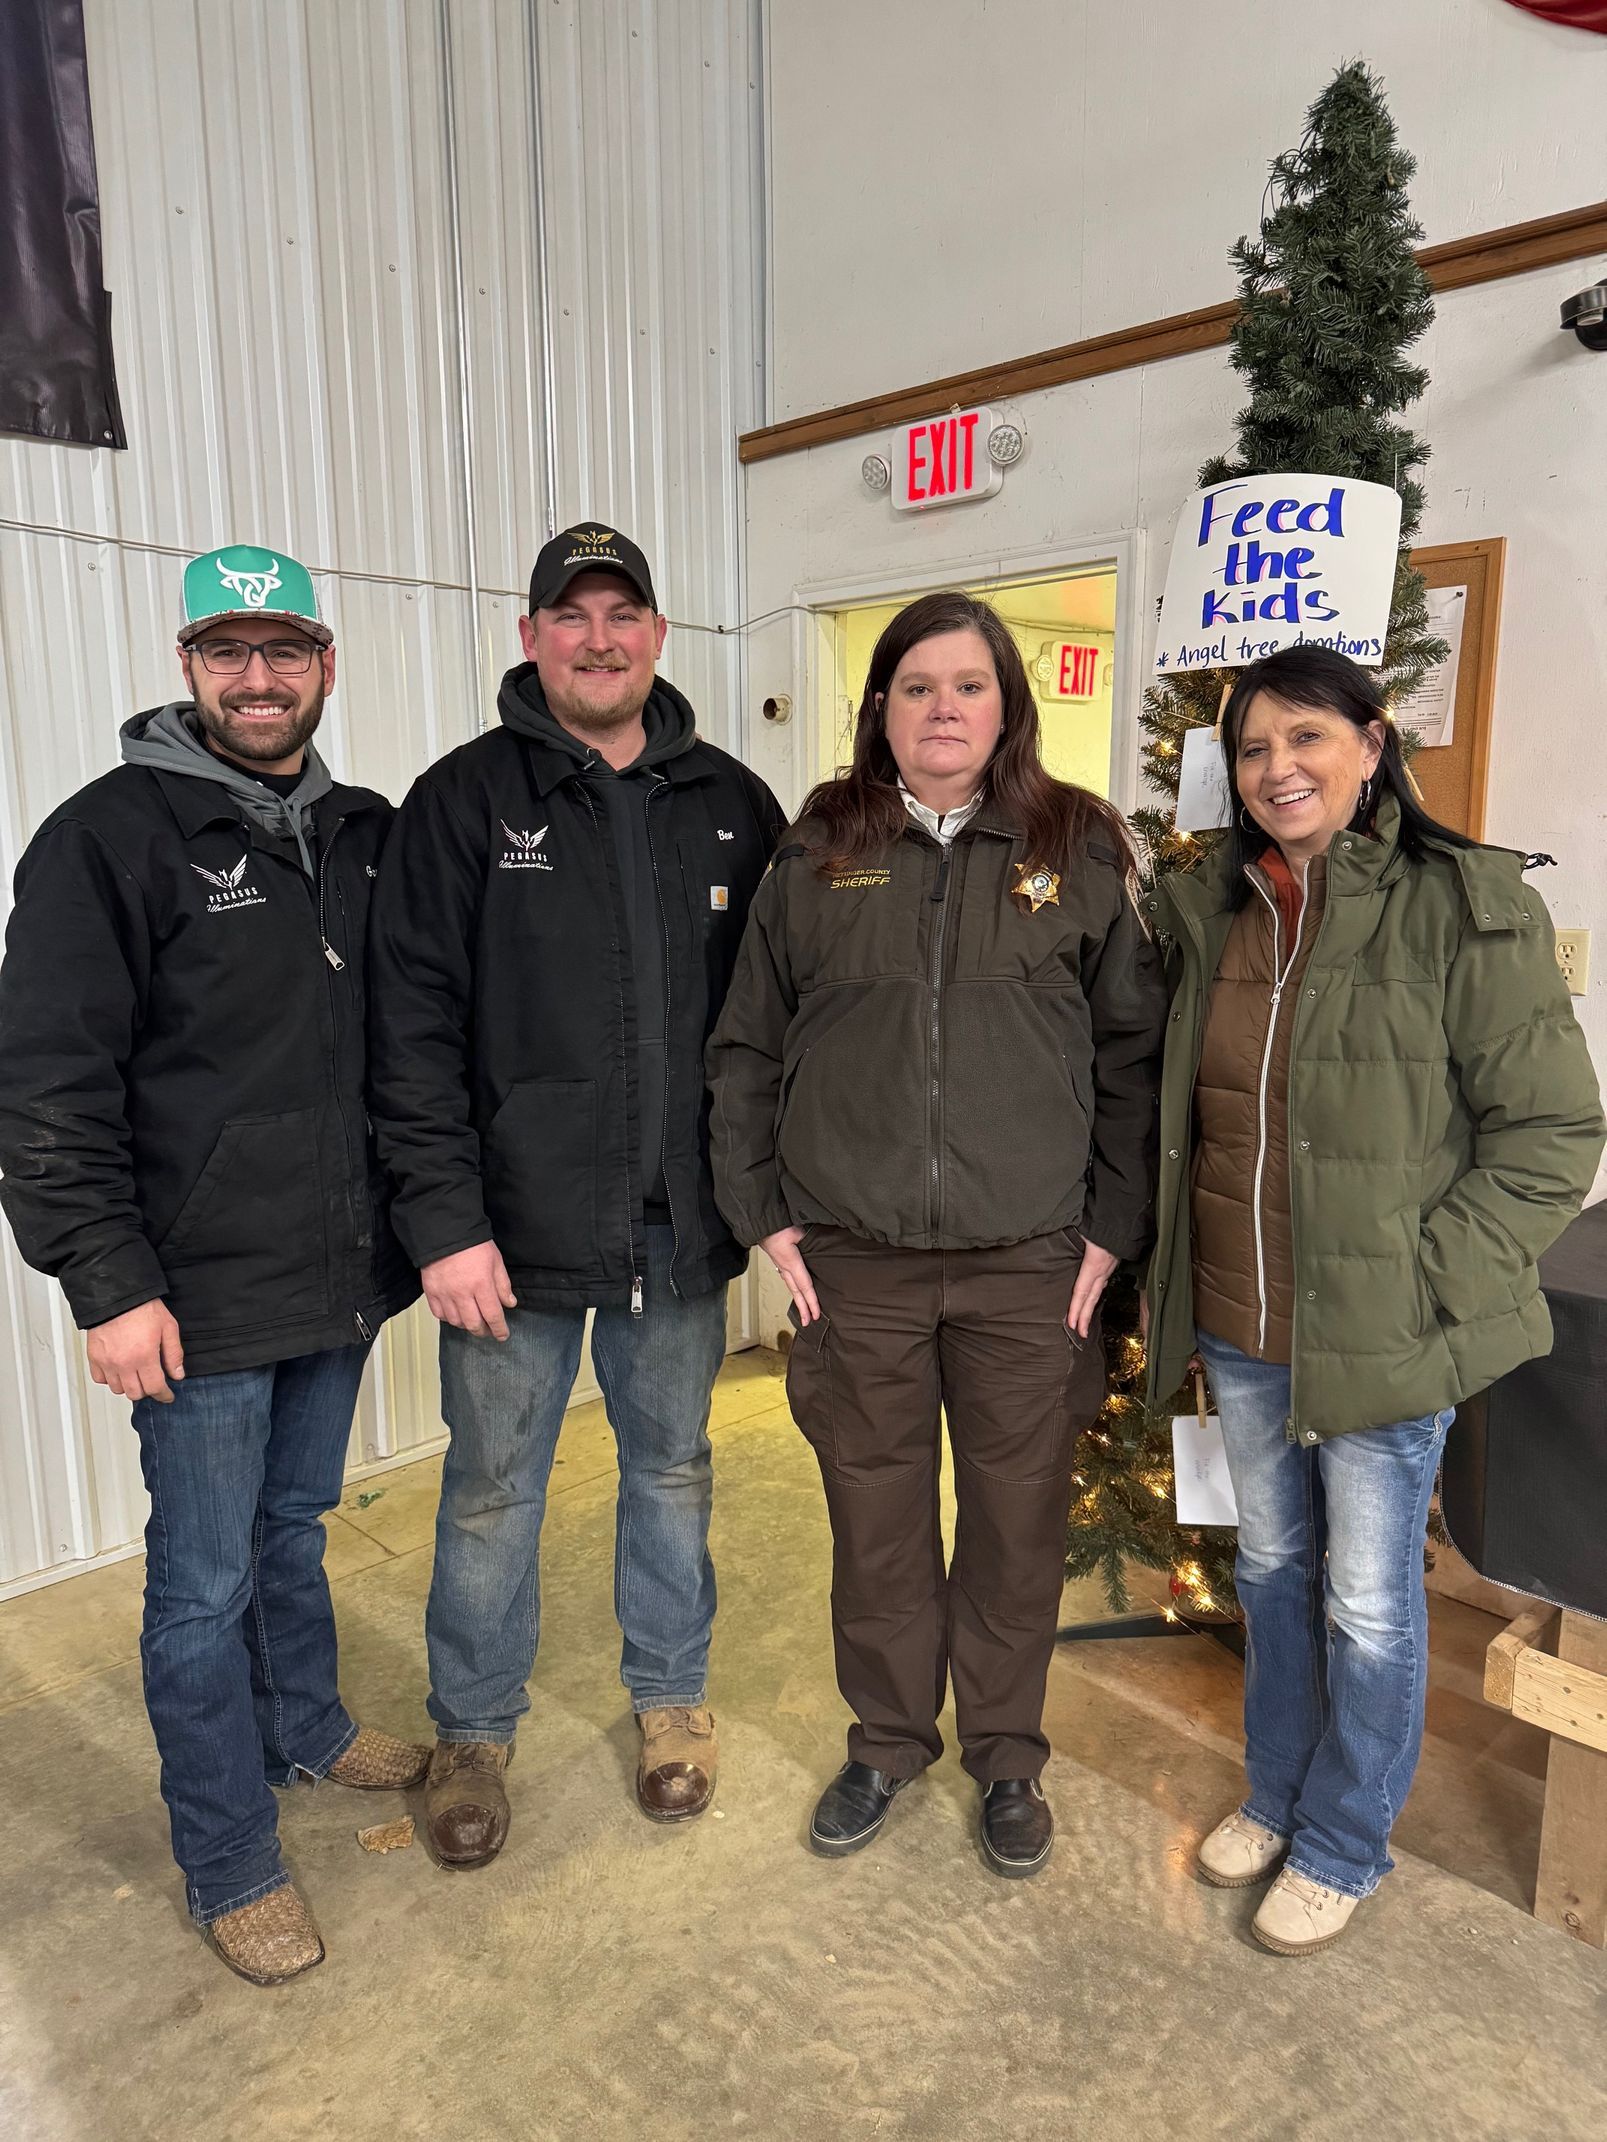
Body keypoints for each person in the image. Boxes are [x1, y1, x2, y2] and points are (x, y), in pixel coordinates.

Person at [0, 545, 424, 1985]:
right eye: (228, 652)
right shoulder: (105, 839)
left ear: (322, 662)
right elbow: (49, 1082)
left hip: (336, 1279)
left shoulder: (365, 833)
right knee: (196, 1590)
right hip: (190, 1301)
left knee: (291, 1533)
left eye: (284, 649)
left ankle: (304, 1724)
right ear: (189, 665)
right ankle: (231, 1856)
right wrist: (105, 1282)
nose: (259, 678)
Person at [1143, 643, 1604, 1956]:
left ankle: (1343, 1837)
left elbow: (1549, 1129)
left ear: (1367, 741)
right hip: (1241, 1323)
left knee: (1363, 1595)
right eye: (1250, 747)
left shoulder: (1459, 903)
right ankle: (1272, 1790)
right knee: (1272, 1566)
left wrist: (1431, 1282)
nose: (1275, 767)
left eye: (1303, 738)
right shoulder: (1214, 909)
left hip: (1382, 1334)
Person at [707, 590, 1166, 1876]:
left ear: (1006, 705)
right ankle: (886, 1740)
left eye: (968, 685)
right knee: (878, 1521)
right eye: (916, 686)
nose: (943, 708)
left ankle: (1007, 1758)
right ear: (880, 710)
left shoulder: (1075, 846)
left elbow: (1131, 1056)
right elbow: (745, 1045)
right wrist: (767, 1221)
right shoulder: (817, 850)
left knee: (1016, 1522)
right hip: (853, 1264)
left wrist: (1103, 1234)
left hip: (1029, 1263)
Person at [368, 522, 785, 1868]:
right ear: (529, 633)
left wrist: (758, 1198)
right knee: (493, 1490)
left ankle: (667, 1698)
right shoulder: (462, 801)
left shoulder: (730, 799)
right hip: (510, 1238)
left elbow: (776, 1022)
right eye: (571, 615)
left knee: (671, 1469)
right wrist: (442, 1223)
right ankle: (473, 1729)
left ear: (659, 636)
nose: (597, 637)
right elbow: (409, 1028)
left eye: (622, 614)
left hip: (679, 1230)